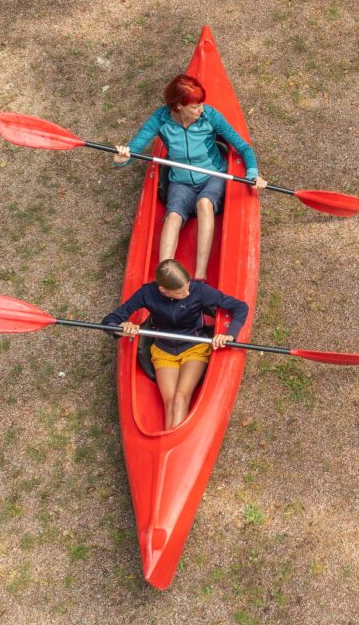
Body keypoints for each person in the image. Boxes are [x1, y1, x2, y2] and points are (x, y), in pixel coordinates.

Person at [114, 74, 267, 281]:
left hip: (212, 175)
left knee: (204, 204)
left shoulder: (210, 116)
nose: (201, 109)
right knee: (173, 216)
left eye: (201, 104)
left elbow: (243, 147)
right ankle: (164, 276)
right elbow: (135, 148)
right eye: (195, 106)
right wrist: (122, 158)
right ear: (178, 106)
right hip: (180, 181)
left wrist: (252, 173)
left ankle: (200, 275)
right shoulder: (160, 119)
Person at [102, 259, 249, 430]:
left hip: (195, 346)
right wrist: (122, 328)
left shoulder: (198, 290)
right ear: (162, 290)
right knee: (170, 403)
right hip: (163, 350)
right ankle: (169, 441)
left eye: (187, 286)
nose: (187, 293)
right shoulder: (147, 293)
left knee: (180, 399)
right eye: (180, 292)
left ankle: (176, 442)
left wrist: (230, 335)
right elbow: (109, 321)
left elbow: (240, 307)